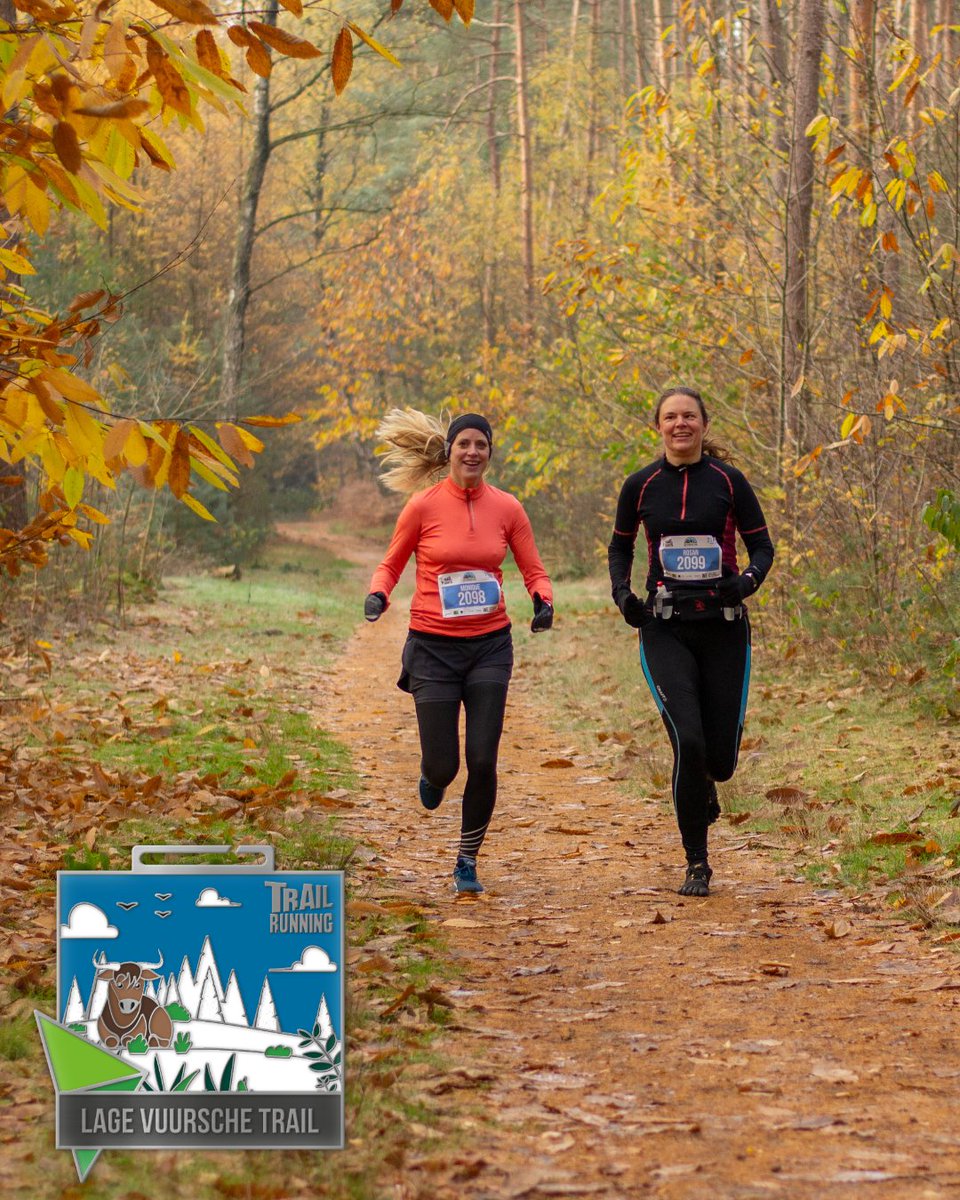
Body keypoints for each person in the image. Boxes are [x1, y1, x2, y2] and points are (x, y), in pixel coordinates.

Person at [364, 409, 554, 894]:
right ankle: (432, 775)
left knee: (484, 759)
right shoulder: (422, 506)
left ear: (490, 452)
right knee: (444, 765)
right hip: (432, 648)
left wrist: (543, 600)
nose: (472, 452)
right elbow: (392, 562)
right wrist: (378, 594)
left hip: (490, 646)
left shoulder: (508, 507)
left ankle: (467, 859)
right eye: (464, 443)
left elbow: (533, 567)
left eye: (481, 445)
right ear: (449, 450)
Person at [608, 386, 774, 897]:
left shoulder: (729, 481)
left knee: (719, 761)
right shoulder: (641, 485)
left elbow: (762, 548)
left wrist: (744, 583)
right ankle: (697, 863)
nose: (681, 424)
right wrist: (623, 595)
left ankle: (704, 781)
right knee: (689, 739)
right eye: (671, 417)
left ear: (704, 423)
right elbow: (620, 547)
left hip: (723, 627)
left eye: (689, 416)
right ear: (658, 425)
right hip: (664, 627)